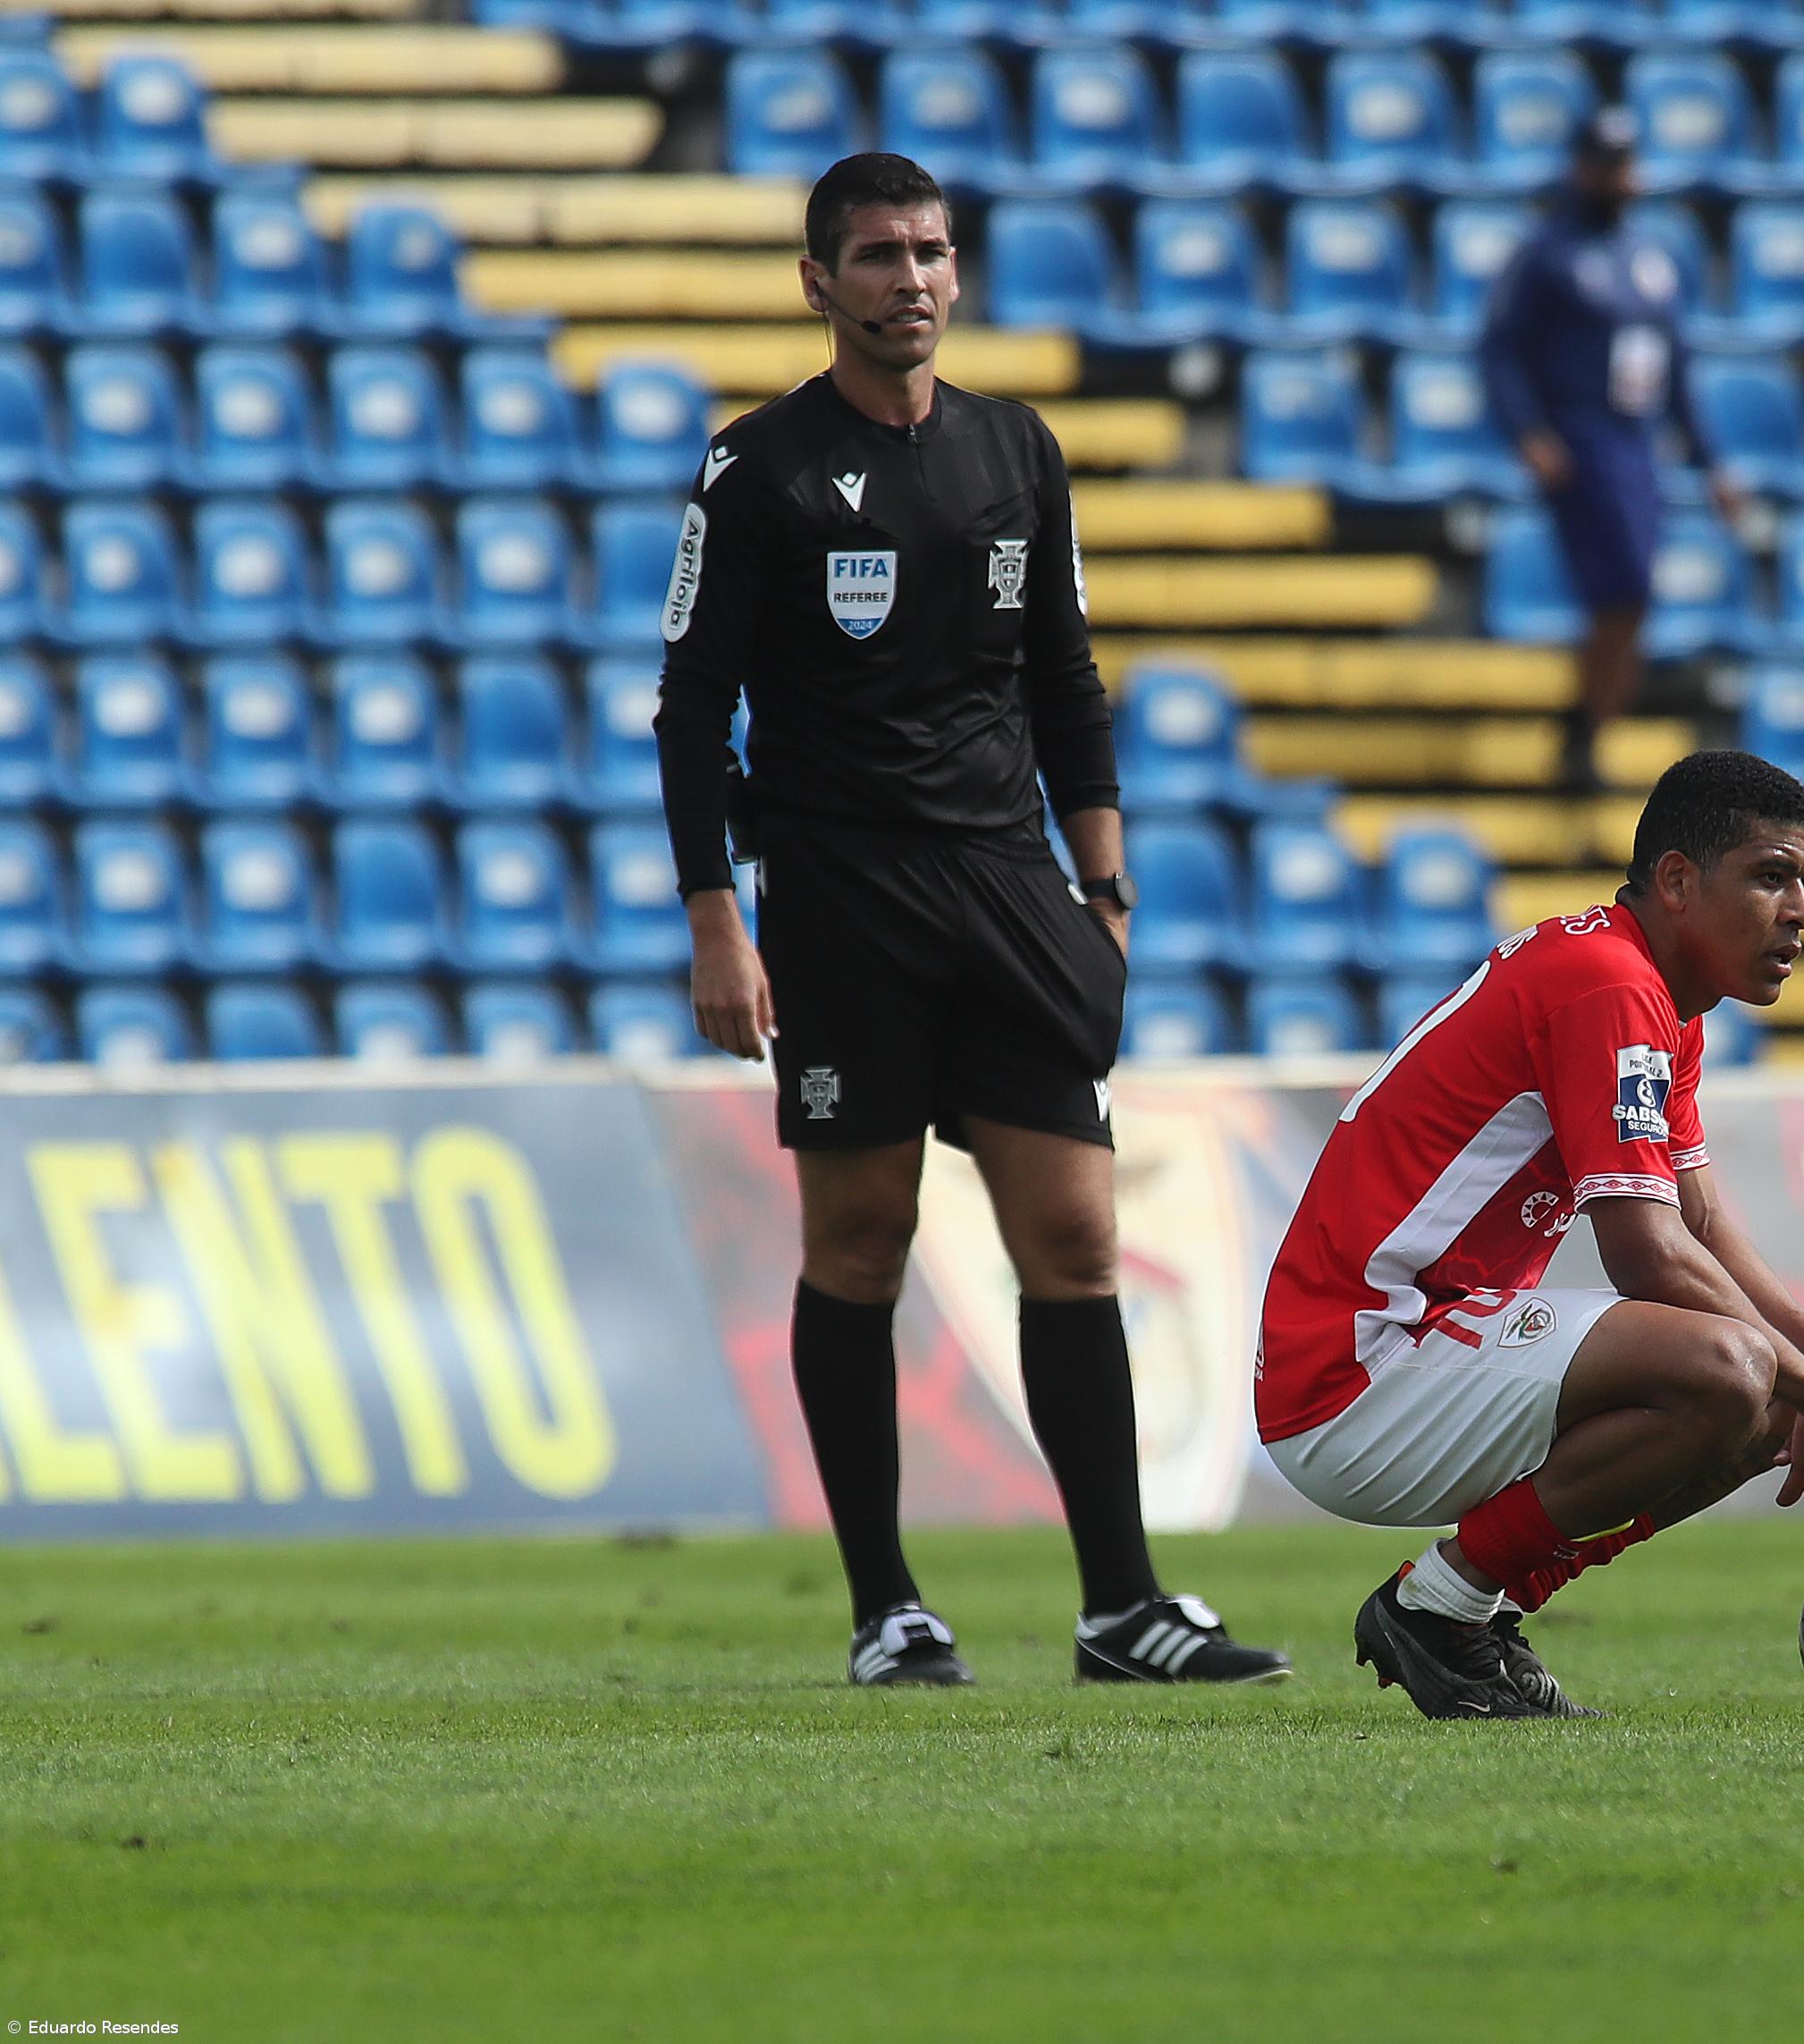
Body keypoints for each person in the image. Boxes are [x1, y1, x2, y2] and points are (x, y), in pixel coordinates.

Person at [653, 151, 1289, 1690]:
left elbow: (1063, 679)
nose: (912, 279)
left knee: (1073, 1234)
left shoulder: (1015, 450)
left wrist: (1104, 882)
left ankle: (1121, 1607)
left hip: (1008, 889)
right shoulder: (760, 475)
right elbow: (688, 715)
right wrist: (715, 925)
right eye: (877, 256)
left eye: (931, 252)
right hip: (842, 893)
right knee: (859, 1239)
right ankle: (888, 1607)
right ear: (818, 284)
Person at [1253, 751, 1804, 1720]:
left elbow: (1698, 1219)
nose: (1802, 911)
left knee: (1769, 1393)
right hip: (1359, 1369)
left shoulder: (1657, 995)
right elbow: (1645, 1252)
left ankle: (1464, 1611)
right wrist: (1803, 1375)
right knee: (1737, 1370)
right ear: (1678, 881)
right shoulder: (1606, 983)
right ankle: (1439, 1608)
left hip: (1427, 1343)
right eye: (1772, 877)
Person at [1479, 108, 1746, 792]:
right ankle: (1583, 732)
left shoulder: (1646, 259)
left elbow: (1676, 366)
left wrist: (1710, 461)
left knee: (1633, 599)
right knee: (1623, 587)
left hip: (1637, 444)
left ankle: (1587, 726)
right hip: (1584, 440)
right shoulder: (1549, 253)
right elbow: (1501, 348)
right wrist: (1530, 432)